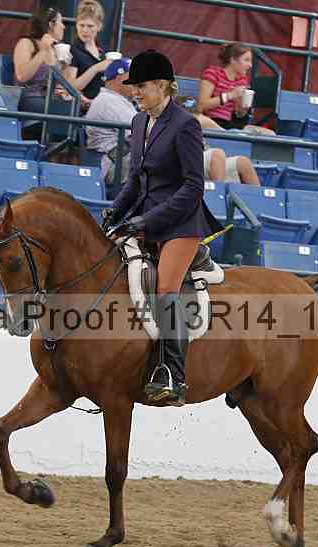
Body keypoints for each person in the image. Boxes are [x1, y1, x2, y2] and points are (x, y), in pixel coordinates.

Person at [103, 50, 223, 407]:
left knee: (166, 287)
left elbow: (193, 187)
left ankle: (173, 374)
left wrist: (147, 220)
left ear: (160, 85)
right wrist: (115, 212)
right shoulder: (139, 122)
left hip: (181, 222)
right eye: (133, 86)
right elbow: (135, 179)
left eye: (140, 86)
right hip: (144, 216)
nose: (135, 92)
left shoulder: (186, 125)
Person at [12, 5, 74, 116]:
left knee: (74, 108)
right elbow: (21, 76)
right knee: (63, 111)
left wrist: (65, 67)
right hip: (30, 97)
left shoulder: (57, 48)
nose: (64, 27)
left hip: (51, 98)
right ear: (51, 24)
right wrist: (43, 51)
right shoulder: (26, 43)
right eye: (61, 22)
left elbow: (61, 83)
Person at [84, 57, 136, 182]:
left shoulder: (117, 99)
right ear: (119, 78)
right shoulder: (109, 101)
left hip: (121, 160)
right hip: (112, 165)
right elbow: (144, 132)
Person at [197, 43, 253, 130]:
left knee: (268, 133)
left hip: (232, 124)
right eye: (246, 60)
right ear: (233, 60)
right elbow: (201, 105)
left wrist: (242, 107)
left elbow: (239, 115)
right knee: (199, 119)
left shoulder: (242, 81)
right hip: (211, 121)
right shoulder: (213, 73)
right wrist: (229, 95)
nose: (250, 65)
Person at [65, 0, 112, 104]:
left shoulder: (103, 51)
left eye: (90, 26)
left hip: (103, 102)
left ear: (99, 27)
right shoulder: (73, 50)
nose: (85, 30)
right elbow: (70, 87)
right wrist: (95, 69)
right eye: (81, 25)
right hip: (83, 105)